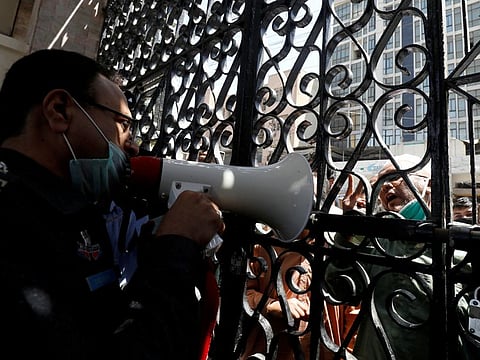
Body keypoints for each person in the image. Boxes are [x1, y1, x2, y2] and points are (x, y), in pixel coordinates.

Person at [0, 49, 225, 359]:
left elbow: (99, 323)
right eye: (122, 124)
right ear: (59, 110)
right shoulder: (13, 220)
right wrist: (176, 248)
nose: (131, 144)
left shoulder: (62, 210)